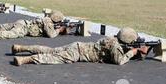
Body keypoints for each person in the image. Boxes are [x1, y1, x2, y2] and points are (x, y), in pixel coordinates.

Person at [12, 27, 149, 66]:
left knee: (50, 50)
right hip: (77, 54)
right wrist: (135, 51)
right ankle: (26, 59)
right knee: (53, 58)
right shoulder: (117, 47)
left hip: (77, 45)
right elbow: (119, 61)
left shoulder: (112, 39)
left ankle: (21, 48)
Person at [0, 9, 67, 42]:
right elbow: (51, 35)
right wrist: (59, 30)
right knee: (11, 34)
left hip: (22, 22)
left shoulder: (47, 19)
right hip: (24, 28)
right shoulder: (48, 22)